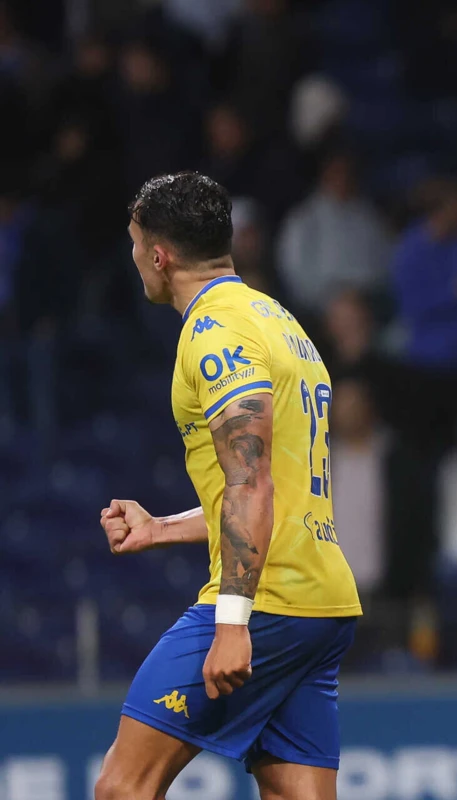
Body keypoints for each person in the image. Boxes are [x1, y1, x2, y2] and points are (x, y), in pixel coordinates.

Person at [94, 172, 361, 800]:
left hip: (265, 600)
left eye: (135, 246)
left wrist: (233, 620)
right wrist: (162, 527)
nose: (135, 260)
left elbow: (250, 480)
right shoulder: (274, 317)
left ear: (157, 255)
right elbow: (277, 484)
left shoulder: (217, 332)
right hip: (320, 602)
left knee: (122, 787)